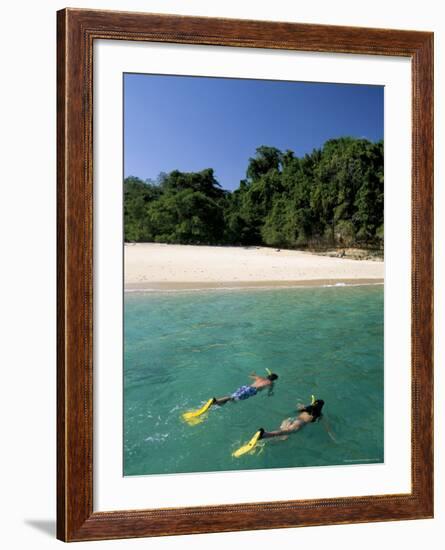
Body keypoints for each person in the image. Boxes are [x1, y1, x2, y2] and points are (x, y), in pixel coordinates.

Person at [258, 398, 324, 439]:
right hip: (300, 423)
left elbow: (299, 408)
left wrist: (303, 405)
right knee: (284, 432)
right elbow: (316, 422)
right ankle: (265, 435)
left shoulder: (308, 408)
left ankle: (271, 439)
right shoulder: (319, 414)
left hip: (291, 419)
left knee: (283, 433)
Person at [213, 372, 279, 406]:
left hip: (246, 387)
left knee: (234, 398)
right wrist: (269, 394)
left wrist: (253, 374)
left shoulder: (260, 377)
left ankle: (218, 403)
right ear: (274, 380)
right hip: (251, 390)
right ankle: (216, 401)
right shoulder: (271, 383)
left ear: (268, 376)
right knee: (232, 398)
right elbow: (270, 391)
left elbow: (250, 376)